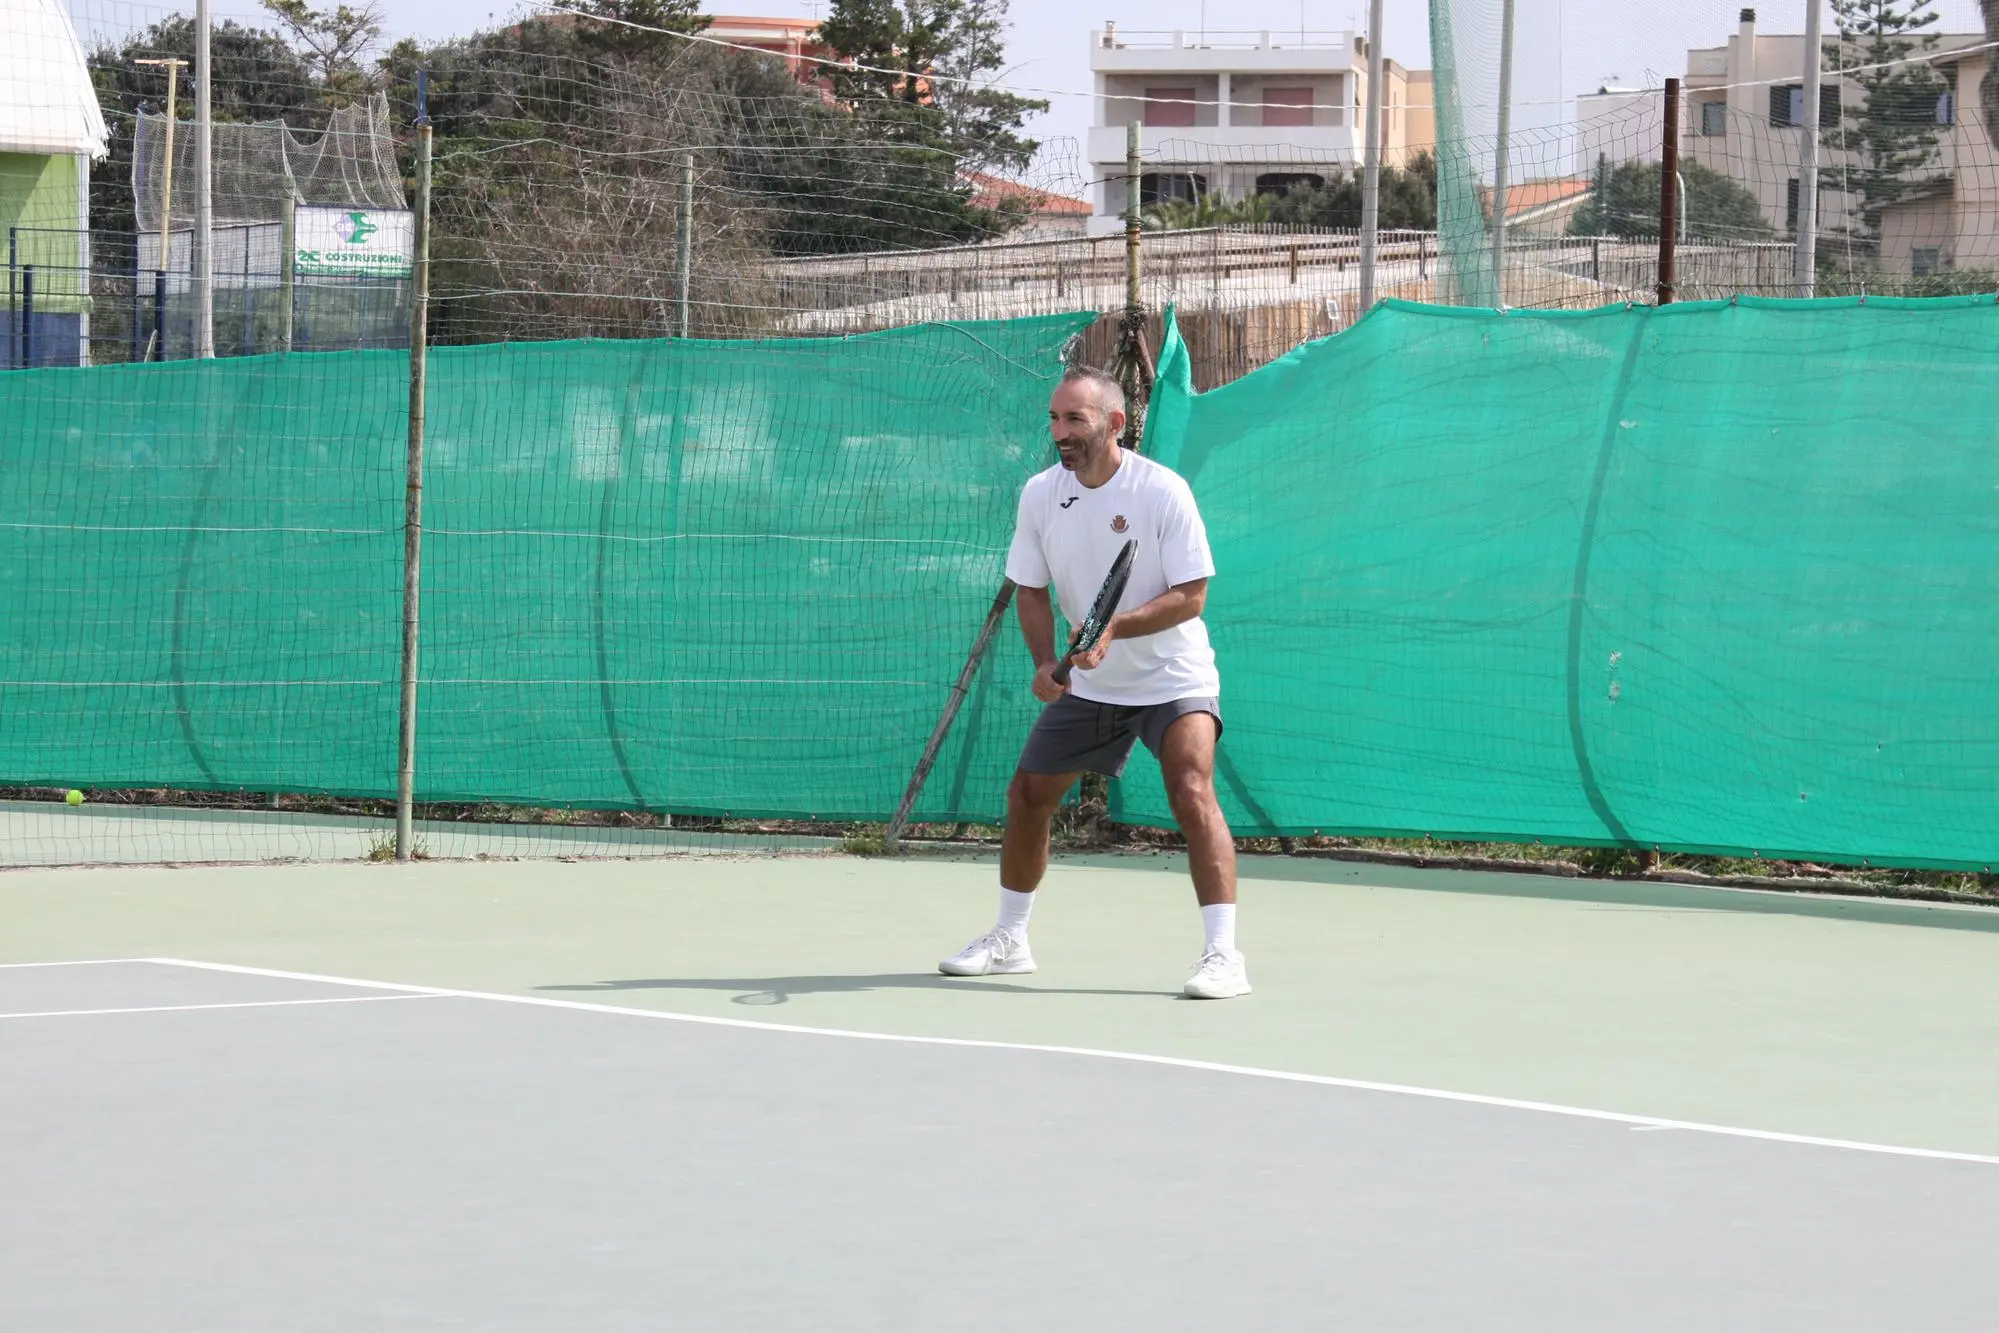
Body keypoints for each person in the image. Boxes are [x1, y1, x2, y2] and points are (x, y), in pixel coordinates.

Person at [938, 365, 1248, 999]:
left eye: (1074, 419)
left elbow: (1192, 596)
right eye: (1054, 419)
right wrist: (1044, 662)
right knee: (1029, 795)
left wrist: (1115, 629)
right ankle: (1010, 940)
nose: (1060, 432)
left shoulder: (1161, 491)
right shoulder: (1040, 494)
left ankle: (1224, 956)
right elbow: (1030, 587)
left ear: (1114, 424)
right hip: (1092, 687)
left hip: (1172, 677)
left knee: (1192, 791)